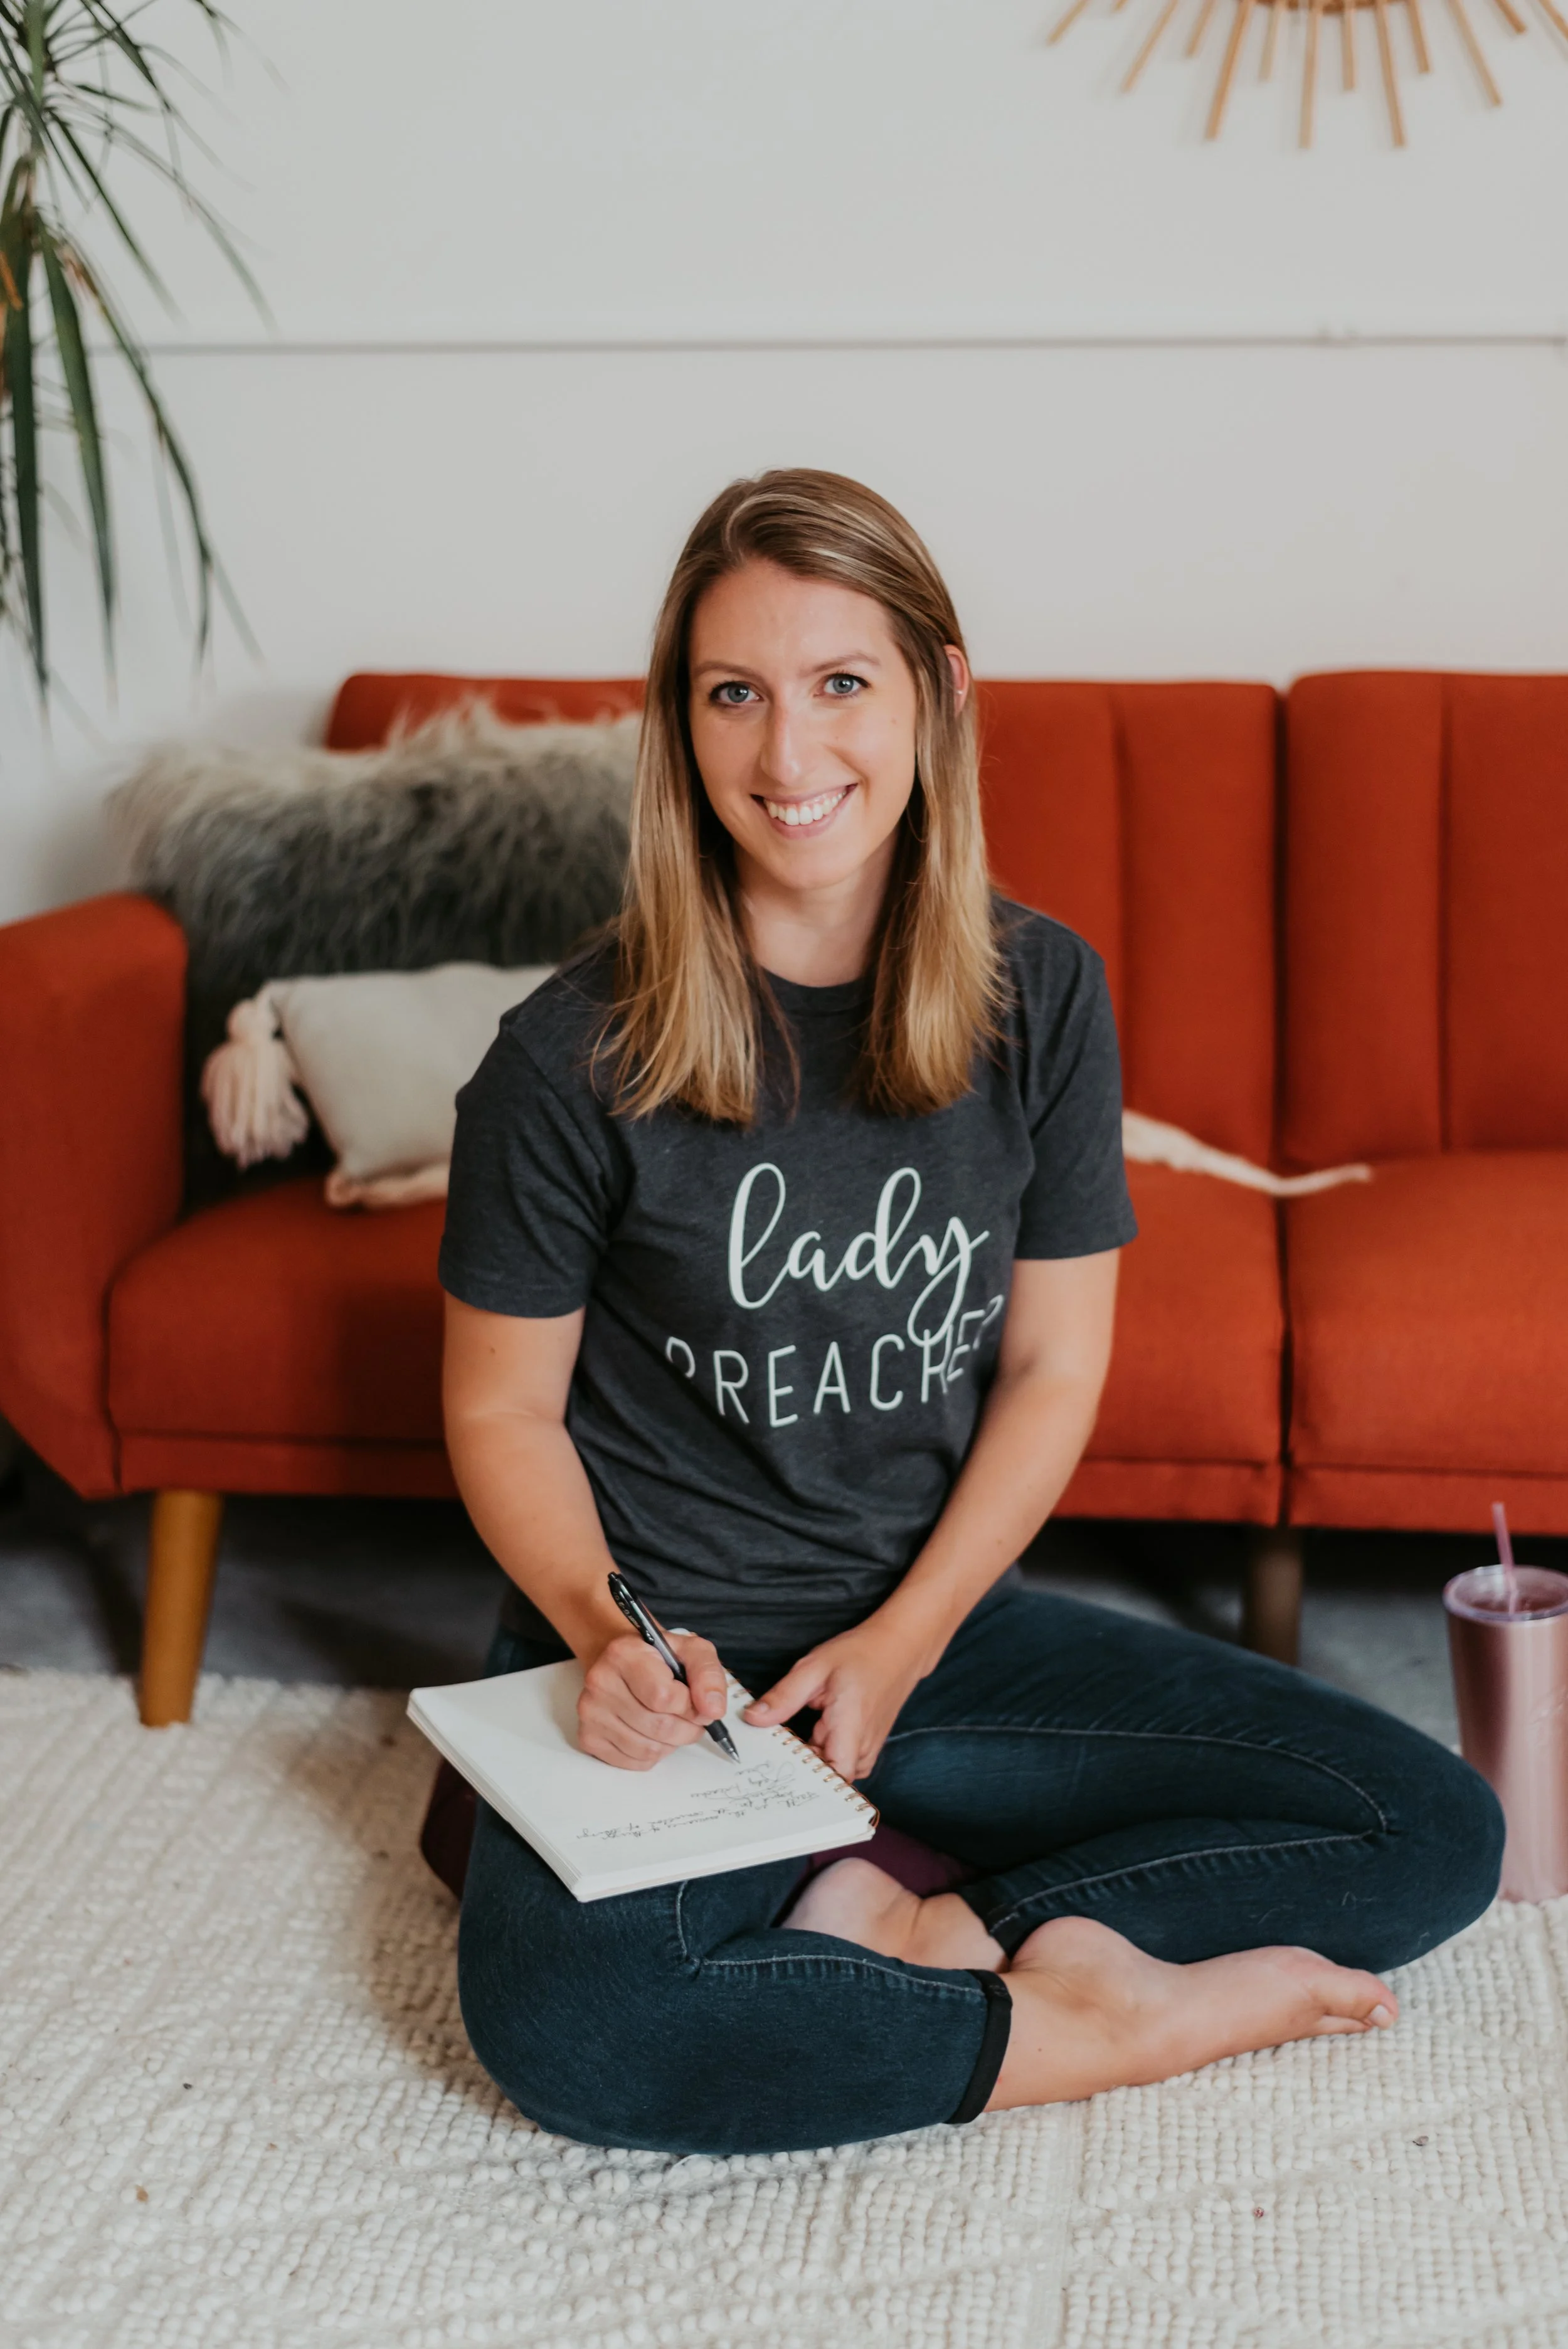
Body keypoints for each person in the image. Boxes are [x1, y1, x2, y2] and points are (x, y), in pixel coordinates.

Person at [438, 468, 1503, 2156]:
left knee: (1436, 1830)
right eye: (735, 694)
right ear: (678, 722)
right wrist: (598, 1632)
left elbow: (1052, 1361)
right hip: (665, 1669)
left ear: (934, 693)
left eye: (839, 683)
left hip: (939, 1640)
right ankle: (1091, 2025)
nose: (789, 757)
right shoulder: (563, 1055)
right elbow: (499, 1411)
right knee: (577, 2032)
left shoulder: (1041, 994)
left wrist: (909, 1635)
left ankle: (929, 1932)